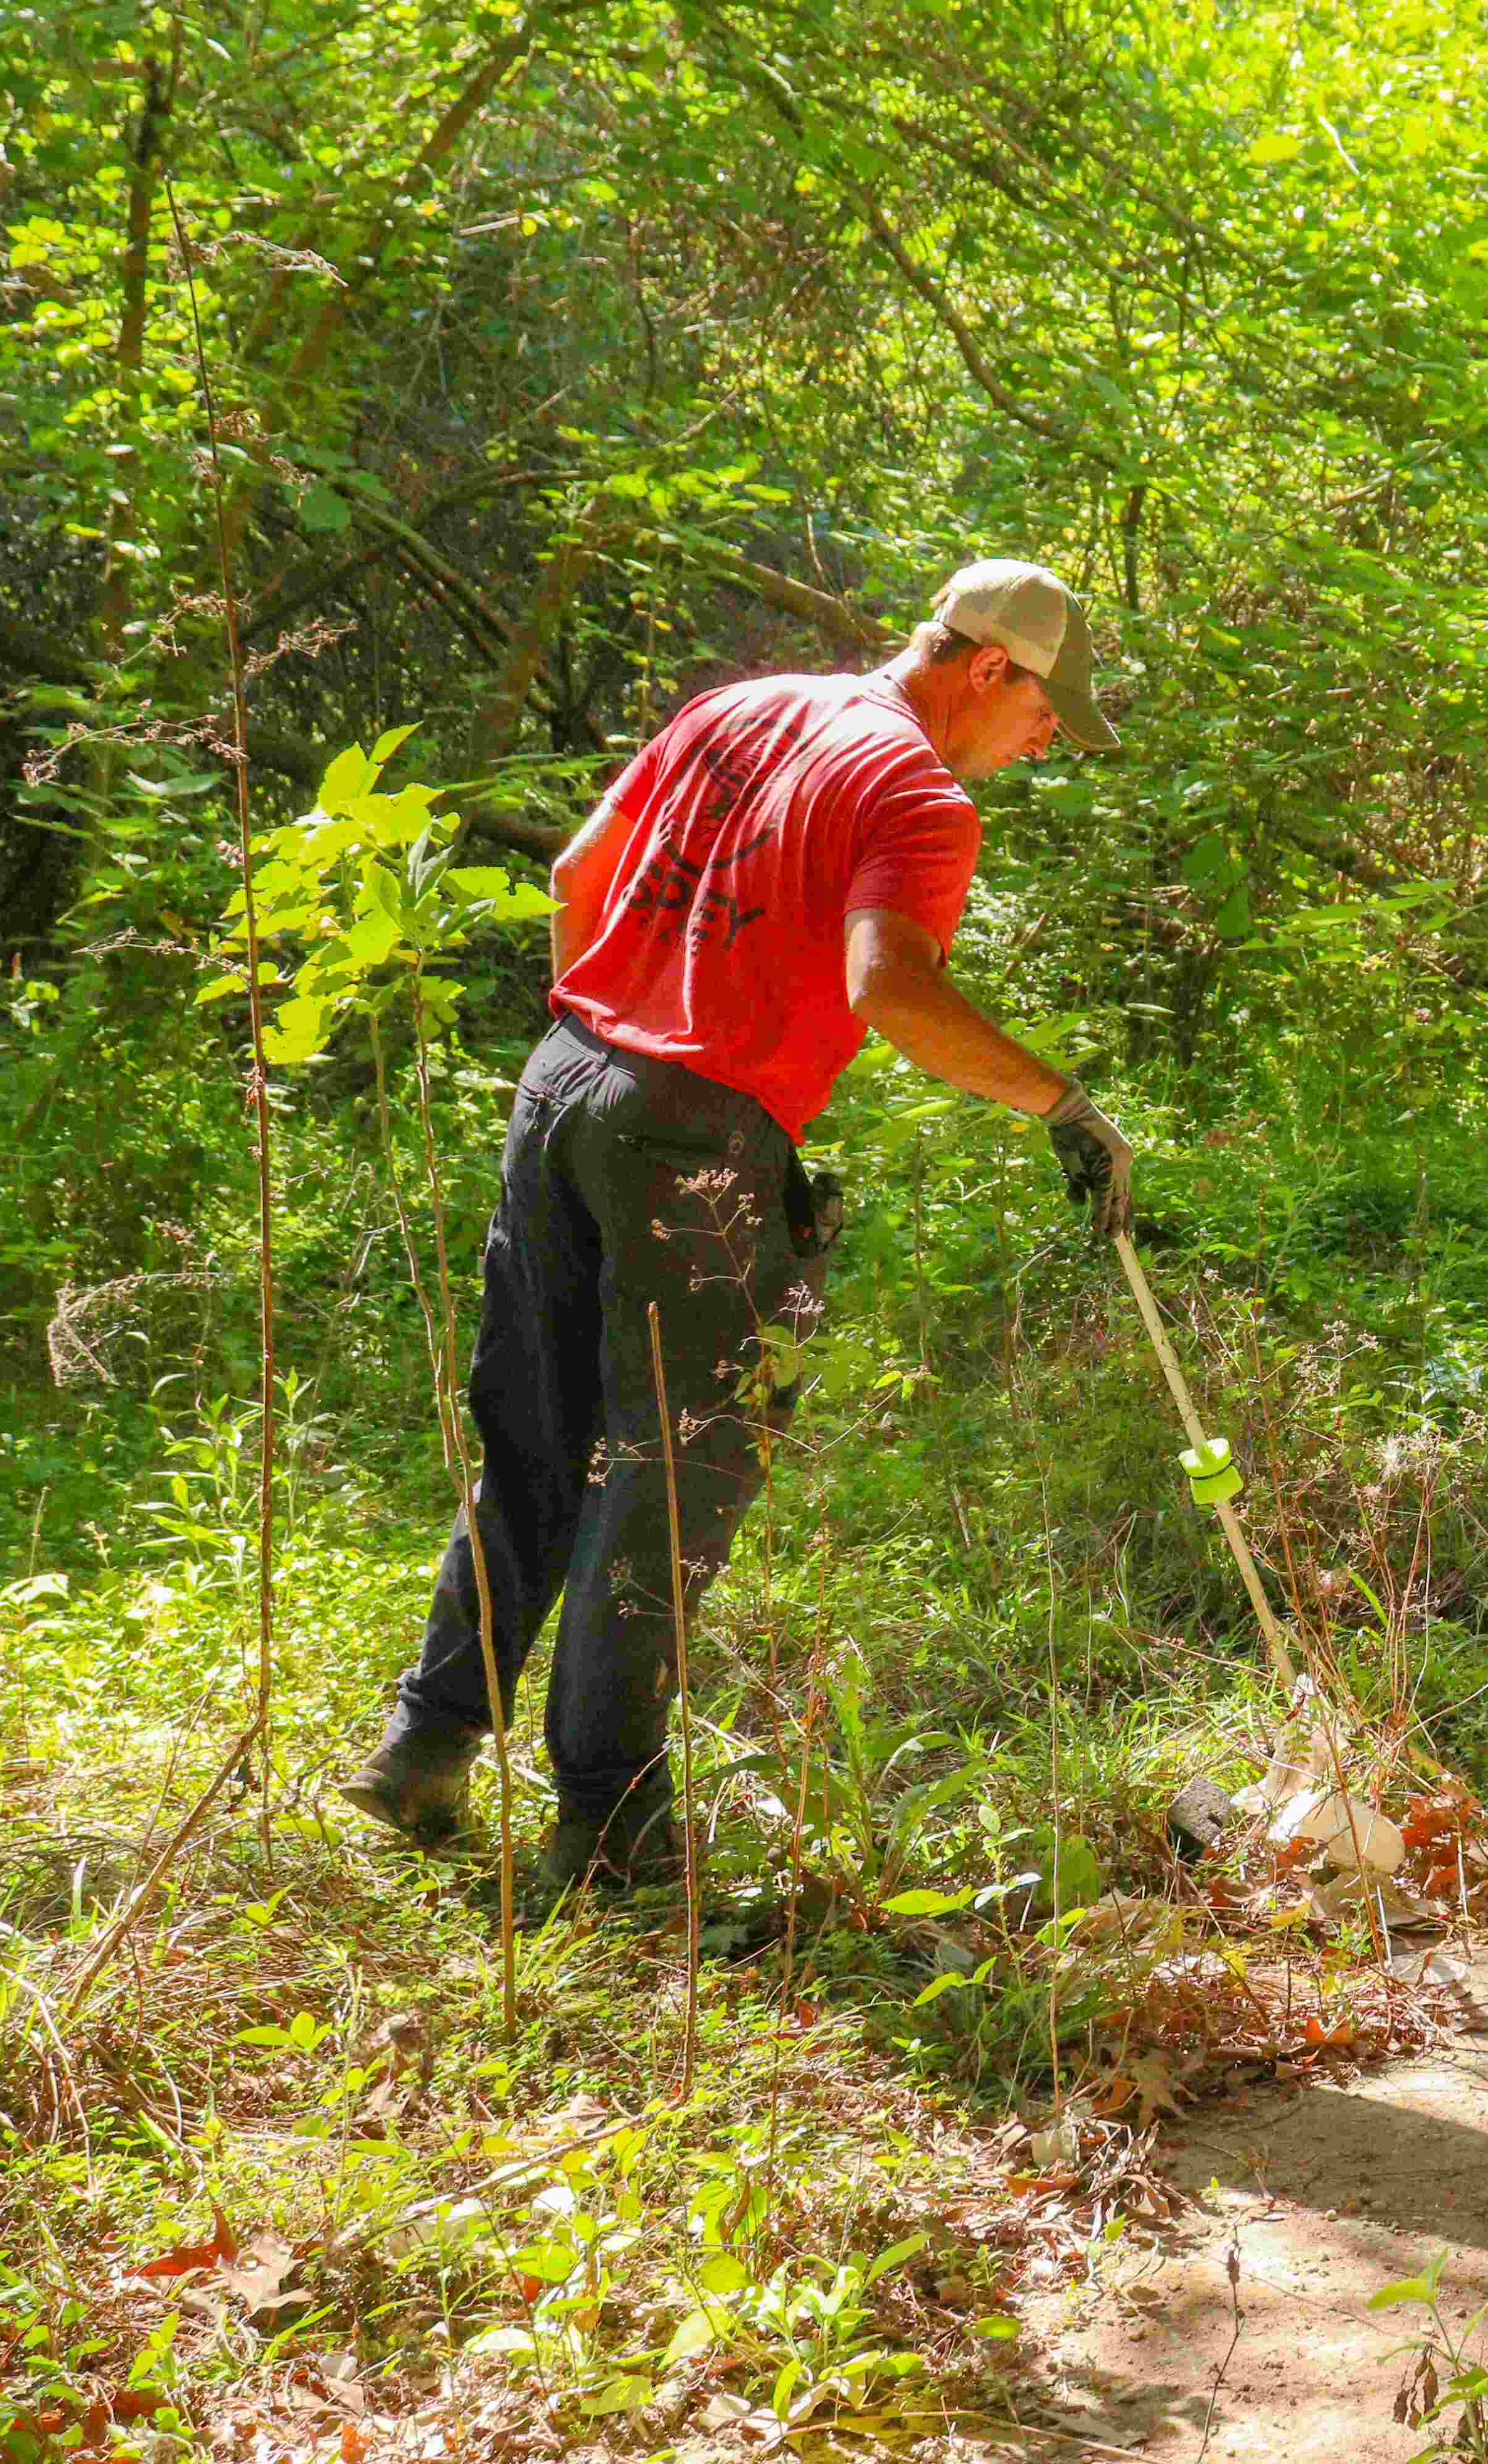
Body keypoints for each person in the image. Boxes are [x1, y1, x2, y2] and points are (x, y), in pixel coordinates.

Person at [338, 558, 1138, 1895]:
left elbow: (584, 869)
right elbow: (888, 985)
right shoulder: (915, 793)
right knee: (671, 1474)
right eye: (1050, 707)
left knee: (536, 1437)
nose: (1053, 736)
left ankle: (424, 1748)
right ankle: (608, 1831)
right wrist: (1059, 1099)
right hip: (691, 1133)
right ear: (989, 667)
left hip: (564, 1079)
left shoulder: (744, 706)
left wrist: (607, 1041)